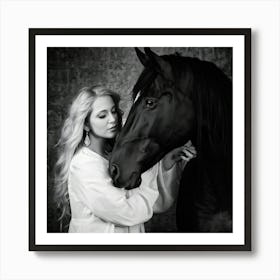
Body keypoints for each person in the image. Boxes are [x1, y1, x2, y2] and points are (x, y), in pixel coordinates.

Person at [53, 85, 196, 233]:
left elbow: (154, 203)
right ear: (86, 124)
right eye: (102, 115)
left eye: (114, 111)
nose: (113, 119)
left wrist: (166, 161)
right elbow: (127, 213)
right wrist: (150, 163)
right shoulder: (83, 164)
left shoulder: (119, 155)